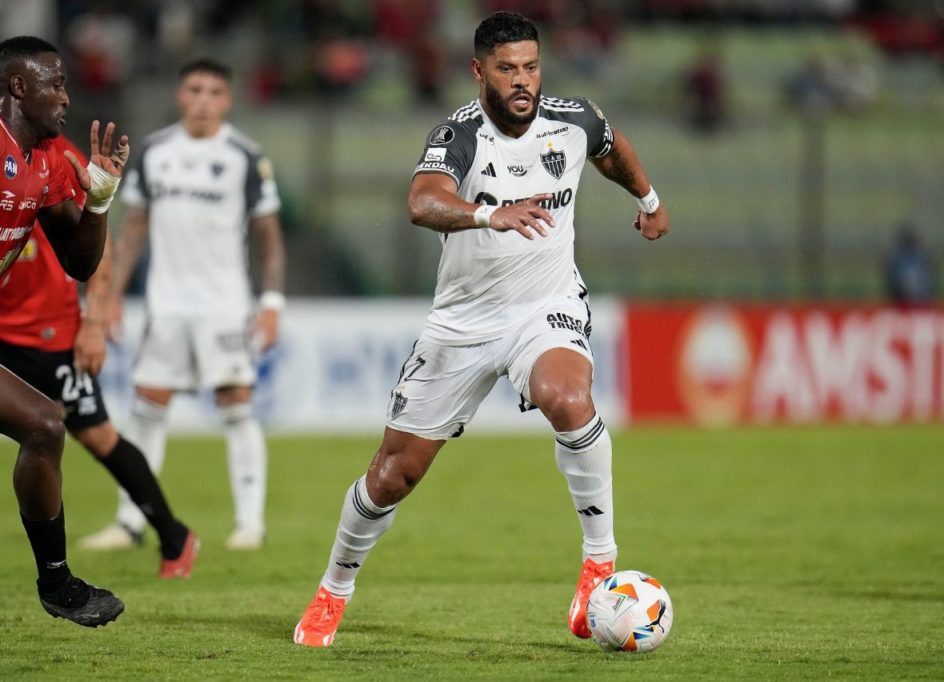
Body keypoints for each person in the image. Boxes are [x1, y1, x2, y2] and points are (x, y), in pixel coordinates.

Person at [293, 11, 670, 647]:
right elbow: (423, 202)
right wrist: (489, 216)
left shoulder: (573, 118)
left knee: (568, 398)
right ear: (479, 72)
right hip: (463, 322)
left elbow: (611, 148)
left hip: (544, 306)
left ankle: (599, 559)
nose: (522, 81)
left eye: (531, 67)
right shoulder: (459, 135)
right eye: (507, 70)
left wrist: (650, 200)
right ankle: (334, 588)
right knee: (392, 476)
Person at [98, 57, 285, 552]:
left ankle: (250, 523)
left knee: (237, 406)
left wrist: (271, 301)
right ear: (180, 95)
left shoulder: (245, 155)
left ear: (228, 99)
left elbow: (268, 235)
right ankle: (130, 522)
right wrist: (111, 296)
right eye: (195, 90)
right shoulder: (155, 151)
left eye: (214, 92)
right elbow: (133, 228)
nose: (203, 101)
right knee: (146, 409)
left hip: (224, 304)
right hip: (165, 305)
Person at [0, 133, 199, 578]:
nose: (62, 98)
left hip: (46, 331)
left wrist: (93, 321)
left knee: (97, 436)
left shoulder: (55, 153)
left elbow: (97, 237)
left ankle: (174, 536)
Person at [0, 35, 128, 626]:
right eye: (54, 84)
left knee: (46, 426)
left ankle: (57, 585)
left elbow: (79, 262)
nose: (66, 97)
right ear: (18, 87)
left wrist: (99, 202)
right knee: (47, 425)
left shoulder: (48, 161)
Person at [884, 220, 937, 307]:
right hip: (902, 300)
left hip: (922, 300)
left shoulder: (923, 256)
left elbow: (930, 279)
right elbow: (892, 281)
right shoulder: (897, 258)